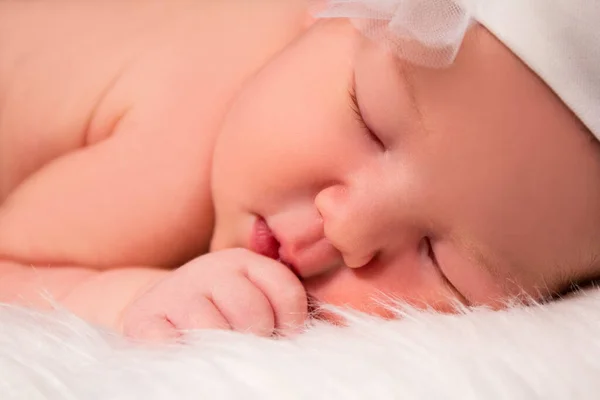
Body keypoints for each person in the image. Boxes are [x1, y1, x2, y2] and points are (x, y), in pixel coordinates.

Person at [0, 0, 599, 341]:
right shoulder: (179, 148)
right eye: (368, 121)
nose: (348, 228)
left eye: (442, 262)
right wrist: (138, 298)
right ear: (325, 12)